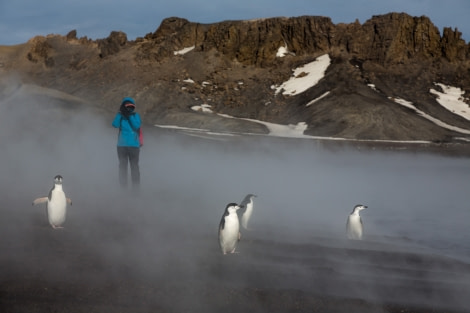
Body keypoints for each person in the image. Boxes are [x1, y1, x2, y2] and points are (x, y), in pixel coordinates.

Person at [112, 97, 142, 190]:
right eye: (127, 106)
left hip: (134, 146)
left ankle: (136, 189)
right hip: (121, 146)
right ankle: (123, 188)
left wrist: (129, 116)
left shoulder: (135, 115)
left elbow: (137, 126)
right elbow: (114, 124)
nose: (129, 109)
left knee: (134, 167)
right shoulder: (120, 115)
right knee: (122, 167)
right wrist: (120, 114)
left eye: (131, 106)